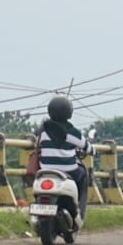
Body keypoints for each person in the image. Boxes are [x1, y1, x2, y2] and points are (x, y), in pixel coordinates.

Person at [34, 95, 92, 226]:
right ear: (69, 113)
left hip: (46, 170)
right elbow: (88, 149)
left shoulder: (42, 131)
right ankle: (77, 207)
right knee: (82, 174)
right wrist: (93, 149)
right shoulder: (72, 132)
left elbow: (35, 141)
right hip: (69, 171)